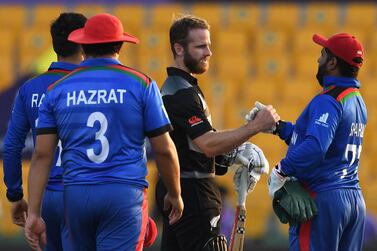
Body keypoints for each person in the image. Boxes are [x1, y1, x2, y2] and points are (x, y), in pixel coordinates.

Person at [24, 13, 183, 251]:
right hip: (123, 194)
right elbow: (165, 150)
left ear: (83, 45)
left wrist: (34, 213)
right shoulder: (141, 84)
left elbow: (42, 156)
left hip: (76, 194)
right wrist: (174, 193)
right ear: (120, 45)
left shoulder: (57, 89)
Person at [155, 15, 280, 251]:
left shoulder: (182, 87)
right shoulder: (180, 92)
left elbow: (194, 144)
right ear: (179, 48)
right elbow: (207, 144)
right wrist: (254, 127)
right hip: (194, 191)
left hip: (183, 186)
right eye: (201, 46)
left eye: (209, 45)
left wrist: (232, 152)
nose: (209, 52)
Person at [268, 33, 367, 251]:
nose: (318, 59)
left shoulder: (329, 100)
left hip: (323, 199)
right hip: (353, 201)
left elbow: (316, 146)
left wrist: (281, 170)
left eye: (323, 54)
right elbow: (327, 142)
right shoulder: (357, 100)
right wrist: (279, 128)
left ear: (332, 63)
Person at [3, 12, 87, 251]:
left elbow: (11, 146)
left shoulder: (29, 89)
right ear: (84, 42)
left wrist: (16, 195)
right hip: (85, 191)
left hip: (47, 196)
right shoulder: (94, 86)